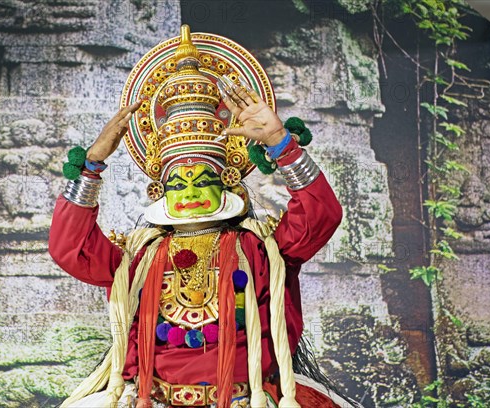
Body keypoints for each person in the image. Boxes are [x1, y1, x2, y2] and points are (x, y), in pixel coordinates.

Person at [49, 25, 355, 408]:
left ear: (227, 181)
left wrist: (281, 144)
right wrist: (91, 167)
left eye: (203, 179)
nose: (190, 192)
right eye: (178, 183)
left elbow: (321, 216)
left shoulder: (260, 250)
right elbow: (70, 249)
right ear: (160, 190)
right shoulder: (138, 259)